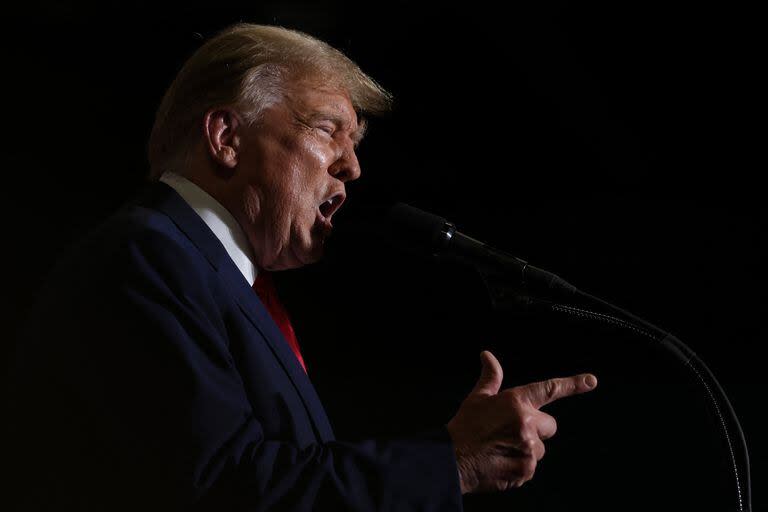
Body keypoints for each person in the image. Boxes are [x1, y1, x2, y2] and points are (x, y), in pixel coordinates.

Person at [8, 24, 597, 510]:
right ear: (226, 137)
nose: (353, 166)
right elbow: (228, 489)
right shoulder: (146, 259)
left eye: (357, 141)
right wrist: (451, 462)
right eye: (326, 129)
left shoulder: (219, 278)